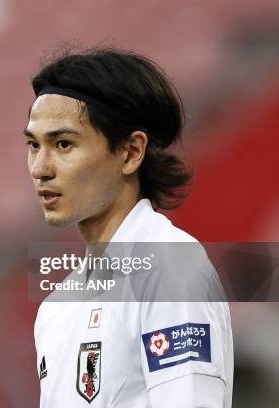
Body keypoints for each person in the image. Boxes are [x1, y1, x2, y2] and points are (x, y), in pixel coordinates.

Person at [25, 47, 233, 407]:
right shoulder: (55, 306)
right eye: (33, 145)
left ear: (131, 152)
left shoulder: (169, 267)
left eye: (62, 144)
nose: (40, 168)